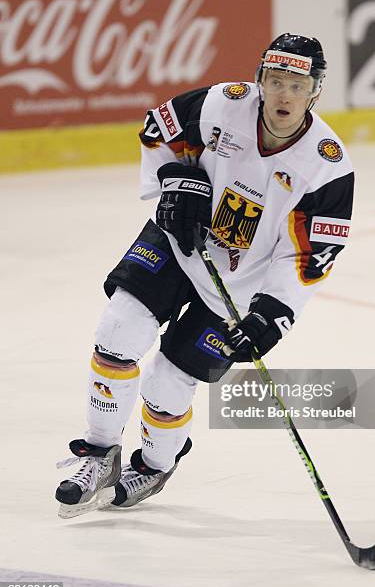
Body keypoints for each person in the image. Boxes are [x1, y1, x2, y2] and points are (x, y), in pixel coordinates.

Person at [55, 33, 354, 518]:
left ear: (315, 92)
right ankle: (97, 452)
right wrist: (175, 180)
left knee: (167, 386)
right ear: (259, 80)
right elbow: (158, 130)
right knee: (117, 330)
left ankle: (152, 465)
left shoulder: (327, 167)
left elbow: (308, 256)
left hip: (238, 289)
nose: (282, 95)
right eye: (274, 81)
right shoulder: (222, 103)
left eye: (296, 86)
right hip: (177, 241)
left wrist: (273, 315)